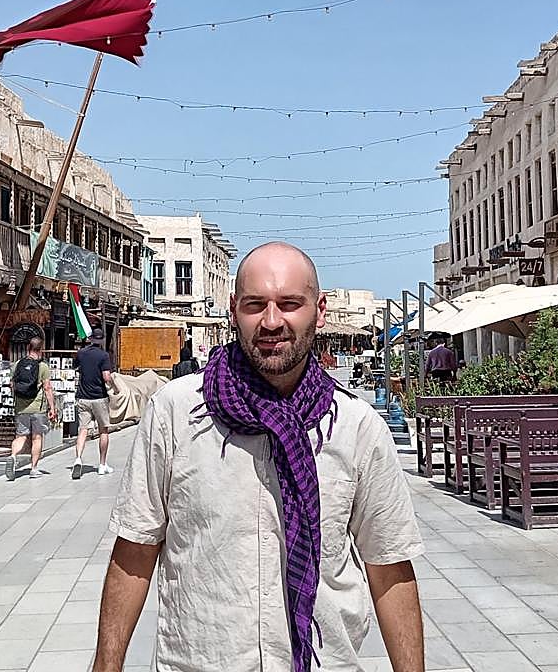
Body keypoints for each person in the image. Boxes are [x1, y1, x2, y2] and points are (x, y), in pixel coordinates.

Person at [96, 242, 424, 672]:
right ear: (234, 310)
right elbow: (136, 547)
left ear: (319, 311)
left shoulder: (356, 427)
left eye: (289, 304)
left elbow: (389, 566)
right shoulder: (175, 413)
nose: (272, 322)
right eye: (255, 305)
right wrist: (106, 664)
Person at [6, 337, 56, 481]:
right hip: (38, 408)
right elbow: (47, 388)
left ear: (28, 347)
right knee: (36, 437)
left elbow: (12, 385)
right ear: (41, 349)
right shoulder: (43, 367)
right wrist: (52, 407)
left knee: (21, 436)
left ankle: (13, 456)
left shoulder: (17, 364)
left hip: (21, 407)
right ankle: (34, 468)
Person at [73, 328, 114, 479]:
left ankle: (78, 459)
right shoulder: (103, 355)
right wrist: (113, 384)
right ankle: (102, 465)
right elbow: (106, 377)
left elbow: (75, 366)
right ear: (102, 339)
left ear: (90, 338)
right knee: (103, 430)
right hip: (99, 397)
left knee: (82, 430)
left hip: (83, 396)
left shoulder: (82, 353)